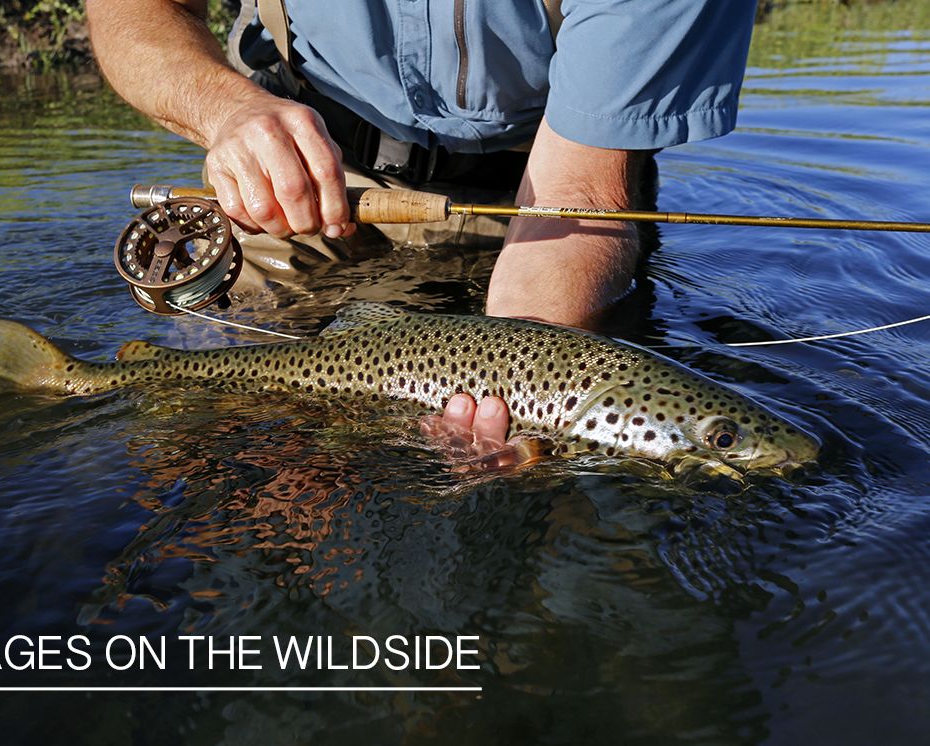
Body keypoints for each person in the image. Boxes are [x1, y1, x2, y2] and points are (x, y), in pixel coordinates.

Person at [85, 0, 759, 460]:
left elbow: (573, 195)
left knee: (528, 468)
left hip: (545, 184)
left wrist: (513, 406)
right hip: (302, 162)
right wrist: (223, 109)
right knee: (213, 439)